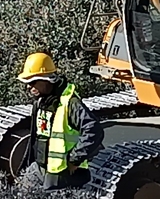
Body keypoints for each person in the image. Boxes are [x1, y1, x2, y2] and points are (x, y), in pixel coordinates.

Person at [18, 52, 103, 188]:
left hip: (61, 174)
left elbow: (93, 130)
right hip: (41, 169)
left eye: (32, 82)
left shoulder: (70, 103)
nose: (29, 86)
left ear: (47, 79)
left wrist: (75, 159)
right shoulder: (41, 101)